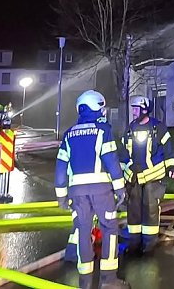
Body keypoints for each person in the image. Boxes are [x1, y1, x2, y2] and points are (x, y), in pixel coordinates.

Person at [55, 90, 129, 289]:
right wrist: (120, 188)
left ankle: (85, 282)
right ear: (96, 107)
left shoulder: (68, 134)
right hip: (101, 192)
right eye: (102, 107)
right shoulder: (103, 131)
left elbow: (61, 168)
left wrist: (61, 197)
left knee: (83, 232)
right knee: (110, 230)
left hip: (77, 194)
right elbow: (112, 161)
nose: (104, 111)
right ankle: (109, 280)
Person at [122, 96, 174, 255]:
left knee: (151, 211)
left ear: (145, 110)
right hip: (133, 179)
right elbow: (124, 152)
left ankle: (149, 245)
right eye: (132, 108)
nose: (133, 112)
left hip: (153, 178)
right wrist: (120, 172)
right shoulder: (130, 128)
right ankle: (134, 243)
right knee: (133, 212)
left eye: (136, 108)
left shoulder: (158, 128)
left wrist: (172, 167)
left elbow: (168, 150)